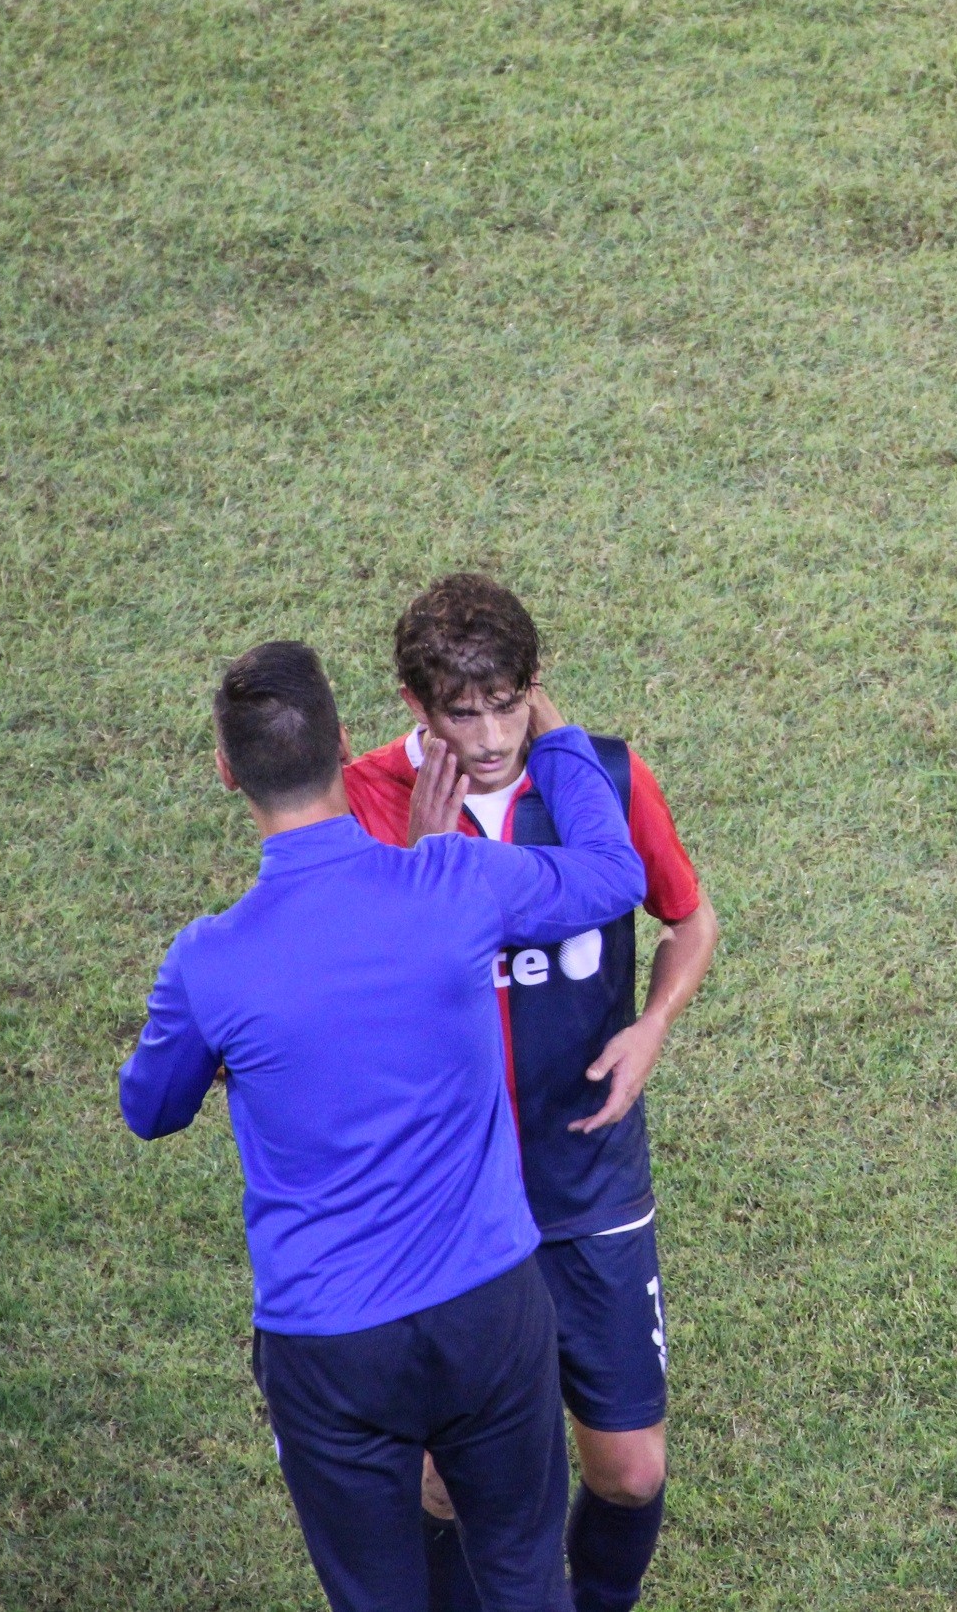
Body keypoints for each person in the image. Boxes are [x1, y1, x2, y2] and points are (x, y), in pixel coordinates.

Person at [119, 641, 647, 1612]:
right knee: (527, 1584)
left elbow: (149, 1109)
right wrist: (556, 731)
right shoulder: (455, 884)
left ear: (227, 771)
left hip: (330, 1346)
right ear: (344, 743)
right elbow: (614, 875)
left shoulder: (207, 962)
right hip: (489, 1312)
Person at [341, 575, 718, 1612]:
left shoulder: (601, 779)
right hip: (447, 1200)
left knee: (629, 1471)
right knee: (445, 1481)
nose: (491, 736)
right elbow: (346, 982)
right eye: (462, 713)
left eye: (507, 705)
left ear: (534, 685)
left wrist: (651, 1026)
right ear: (415, 704)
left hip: (586, 1177)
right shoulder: (363, 801)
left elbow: (690, 919)